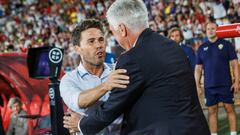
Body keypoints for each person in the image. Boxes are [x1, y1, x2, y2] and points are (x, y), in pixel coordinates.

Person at [63, 0, 210, 135]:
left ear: (122, 29)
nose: (99, 45)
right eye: (91, 41)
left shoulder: (131, 59)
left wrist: (82, 124)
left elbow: (112, 108)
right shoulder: (172, 45)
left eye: (108, 35)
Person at [59, 19, 129, 135]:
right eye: (91, 41)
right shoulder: (69, 80)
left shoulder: (117, 70)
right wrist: (106, 85)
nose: (99, 45)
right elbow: (79, 101)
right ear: (78, 49)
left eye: (101, 40)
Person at [195, 21, 239, 135]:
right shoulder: (201, 48)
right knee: (211, 111)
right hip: (209, 86)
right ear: (205, 31)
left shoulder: (227, 45)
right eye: (208, 28)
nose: (210, 30)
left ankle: (233, 133)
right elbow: (198, 69)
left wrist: (237, 82)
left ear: (217, 30)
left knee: (229, 109)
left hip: (226, 84)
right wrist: (197, 85)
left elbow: (234, 64)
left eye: (213, 28)